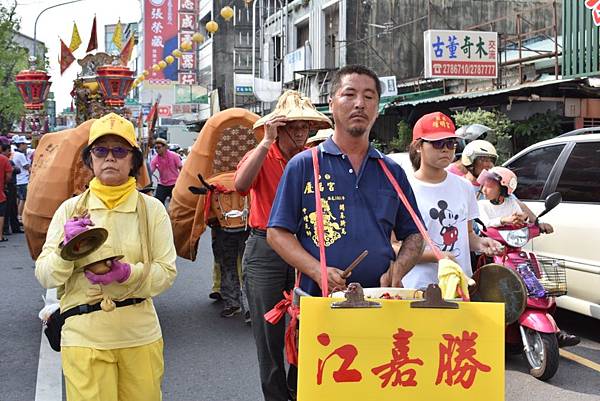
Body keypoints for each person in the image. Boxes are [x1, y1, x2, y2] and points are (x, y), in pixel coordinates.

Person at [35, 113, 177, 401]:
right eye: (100, 151)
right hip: (83, 337)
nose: (110, 158)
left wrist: (128, 274)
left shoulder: (152, 210)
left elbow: (166, 273)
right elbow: (45, 275)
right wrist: (67, 249)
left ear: (133, 161)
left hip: (140, 336)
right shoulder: (69, 210)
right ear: (90, 160)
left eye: (120, 151)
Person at [268, 65, 424, 298]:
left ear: (377, 108)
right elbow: (277, 233)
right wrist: (317, 270)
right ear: (331, 104)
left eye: (369, 96)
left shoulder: (391, 171)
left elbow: (415, 234)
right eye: (349, 94)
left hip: (381, 302)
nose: (360, 103)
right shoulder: (304, 165)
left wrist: (398, 269)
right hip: (319, 302)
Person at [234, 89, 332, 401]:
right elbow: (240, 185)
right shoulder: (263, 154)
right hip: (265, 250)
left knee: (308, 326)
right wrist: (265, 141)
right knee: (269, 336)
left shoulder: (313, 160)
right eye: (294, 126)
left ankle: (298, 389)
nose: (301, 132)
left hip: (305, 249)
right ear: (279, 128)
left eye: (305, 126)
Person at [401, 112, 502, 290]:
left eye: (450, 143)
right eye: (438, 143)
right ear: (418, 145)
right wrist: (436, 255)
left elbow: (468, 234)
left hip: (460, 286)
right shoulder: (403, 189)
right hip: (418, 289)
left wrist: (481, 243)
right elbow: (394, 247)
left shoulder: (464, 187)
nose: (446, 149)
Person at [150, 137, 182, 206]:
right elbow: (150, 172)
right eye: (155, 148)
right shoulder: (155, 159)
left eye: (159, 147)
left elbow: (181, 168)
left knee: (177, 203)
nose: (157, 150)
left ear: (165, 147)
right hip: (162, 184)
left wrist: (182, 181)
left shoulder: (174, 156)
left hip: (174, 183)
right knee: (157, 203)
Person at [1, 143, 21, 235]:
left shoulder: (9, 160)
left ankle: (12, 228)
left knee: (11, 208)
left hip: (8, 187)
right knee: (7, 209)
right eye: (9, 151)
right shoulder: (5, 160)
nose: (10, 153)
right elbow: (10, 175)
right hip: (7, 187)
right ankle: (5, 229)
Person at [12, 135, 30, 223]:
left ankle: (18, 216)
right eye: (25, 144)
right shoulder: (20, 155)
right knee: (23, 199)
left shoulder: (14, 153)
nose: (26, 146)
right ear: (21, 144)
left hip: (18, 180)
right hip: (23, 180)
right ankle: (20, 217)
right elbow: (26, 166)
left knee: (19, 199)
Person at [0, 143, 13, 242]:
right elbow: (9, 176)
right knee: (1, 215)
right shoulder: (4, 159)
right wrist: (4, 183)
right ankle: (0, 236)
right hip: (1, 192)